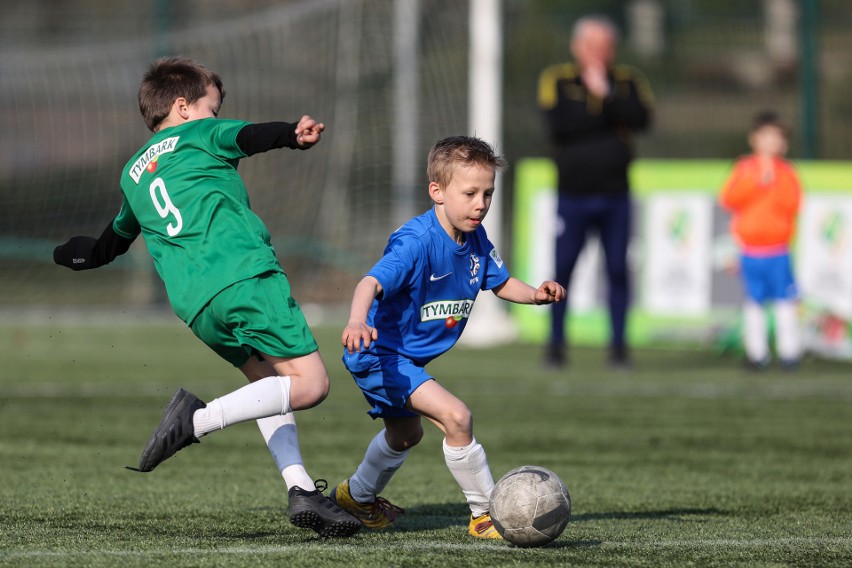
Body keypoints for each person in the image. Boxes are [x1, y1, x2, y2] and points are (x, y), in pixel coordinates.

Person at [52, 56, 361, 538]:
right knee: (311, 385)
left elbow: (105, 247)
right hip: (243, 276)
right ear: (183, 107)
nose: (217, 118)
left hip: (196, 305)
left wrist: (69, 255)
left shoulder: (133, 173)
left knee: (268, 385)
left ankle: (300, 487)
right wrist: (290, 134)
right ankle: (196, 421)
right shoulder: (197, 134)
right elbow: (245, 137)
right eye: (212, 109)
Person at [329, 136, 566, 539]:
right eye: (470, 193)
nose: (481, 204)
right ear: (437, 192)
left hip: (406, 358)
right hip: (377, 353)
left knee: (406, 435)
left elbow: (501, 281)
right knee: (457, 417)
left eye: (488, 193)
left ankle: (355, 497)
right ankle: (485, 515)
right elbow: (369, 282)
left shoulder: (475, 238)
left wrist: (535, 295)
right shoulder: (416, 242)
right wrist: (355, 321)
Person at [537, 14, 653, 369]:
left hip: (616, 194)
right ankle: (555, 347)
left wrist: (607, 96)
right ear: (577, 47)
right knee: (563, 270)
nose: (598, 53)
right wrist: (604, 113)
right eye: (591, 45)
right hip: (573, 194)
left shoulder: (628, 80)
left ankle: (619, 349)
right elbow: (561, 123)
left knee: (618, 268)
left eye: (605, 46)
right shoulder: (556, 79)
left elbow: (642, 120)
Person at [719, 111, 803, 370]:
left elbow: (793, 205)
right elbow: (729, 199)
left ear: (783, 143)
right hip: (750, 251)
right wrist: (756, 182)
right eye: (766, 136)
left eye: (776, 138)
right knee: (754, 304)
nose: (771, 142)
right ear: (754, 139)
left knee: (784, 302)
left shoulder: (787, 173)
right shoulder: (744, 169)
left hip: (778, 251)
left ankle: (789, 353)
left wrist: (774, 183)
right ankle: (758, 354)